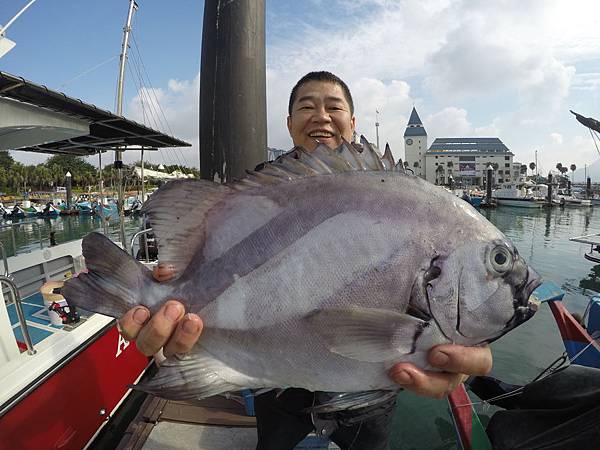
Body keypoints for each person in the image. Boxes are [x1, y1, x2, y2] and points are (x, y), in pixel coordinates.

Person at [118, 71, 493, 449]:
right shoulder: (259, 190)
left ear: (353, 122)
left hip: (371, 391)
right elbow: (203, 260)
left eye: (334, 107)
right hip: (277, 389)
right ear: (289, 124)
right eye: (307, 106)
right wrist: (173, 288)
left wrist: (458, 333)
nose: (322, 116)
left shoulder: (403, 193)